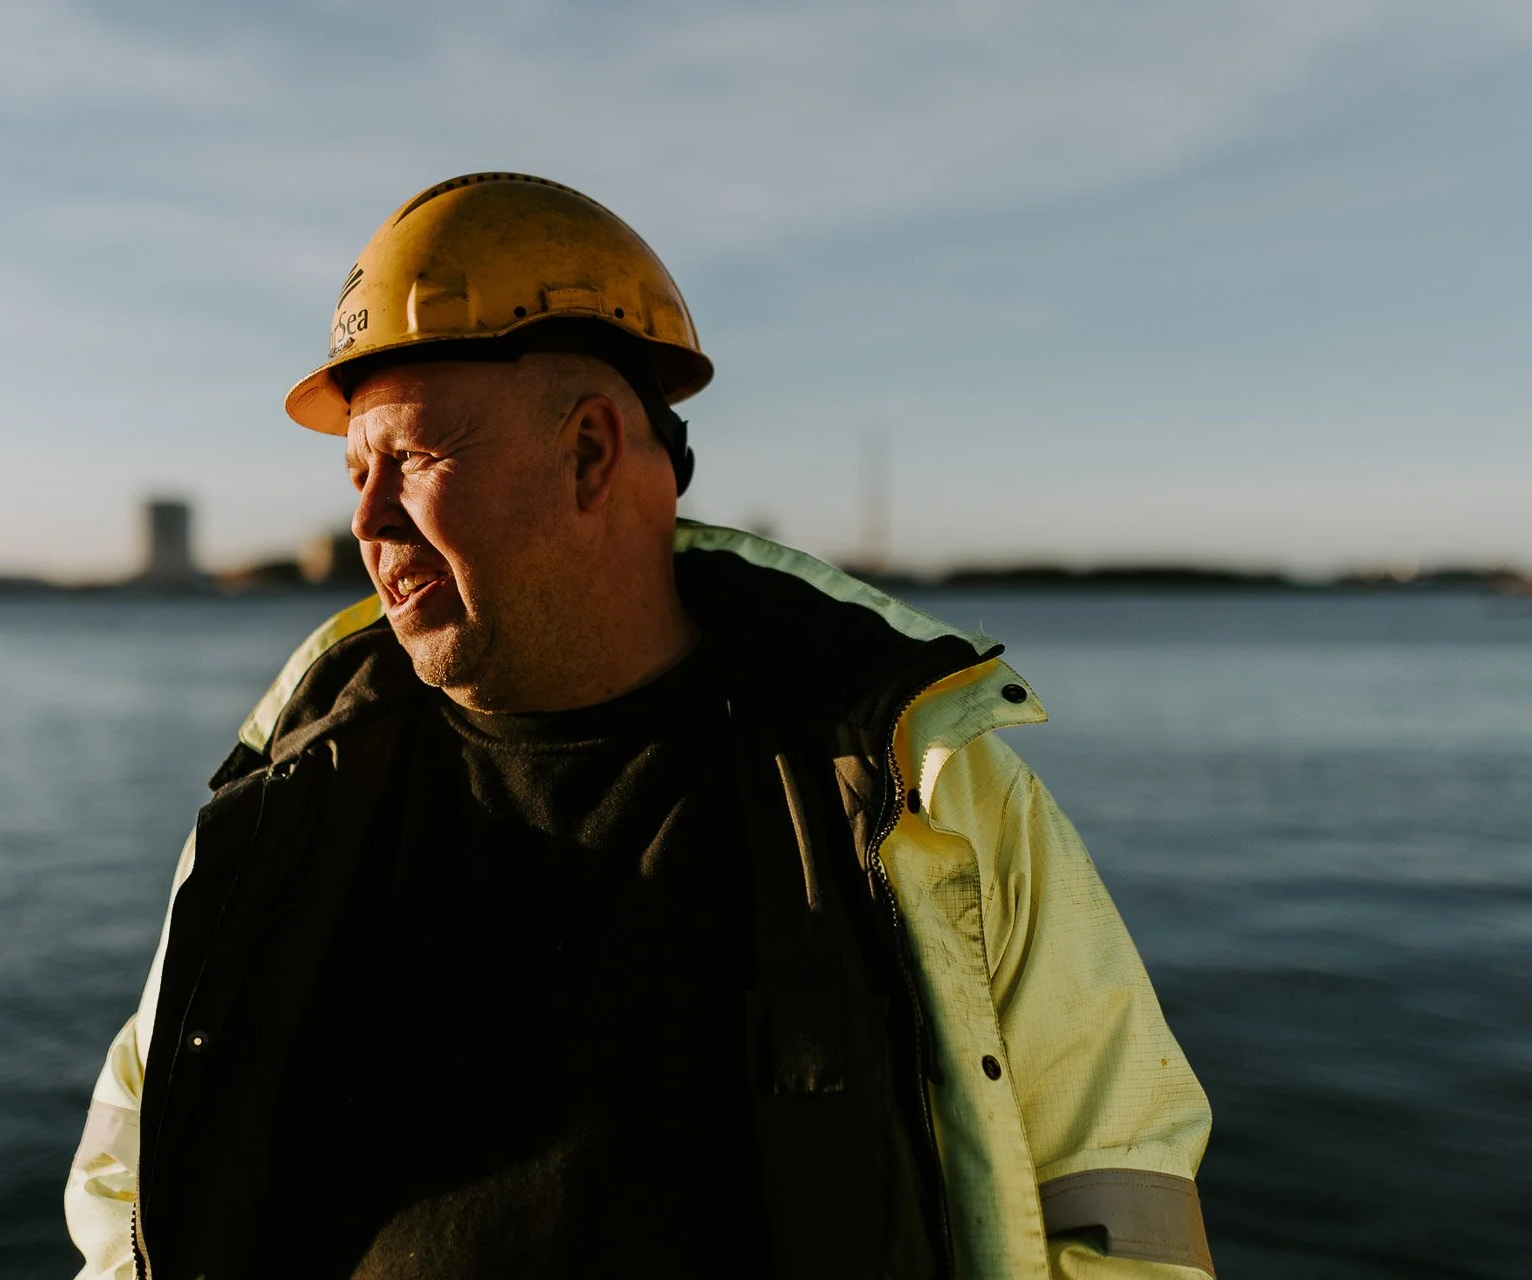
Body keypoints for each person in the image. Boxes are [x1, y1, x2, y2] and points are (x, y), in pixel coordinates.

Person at [65, 173, 1215, 1280]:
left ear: (591, 453)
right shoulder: (289, 790)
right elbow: (133, 1179)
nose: (366, 521)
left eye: (411, 458)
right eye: (356, 470)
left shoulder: (920, 792)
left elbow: (1117, 1210)